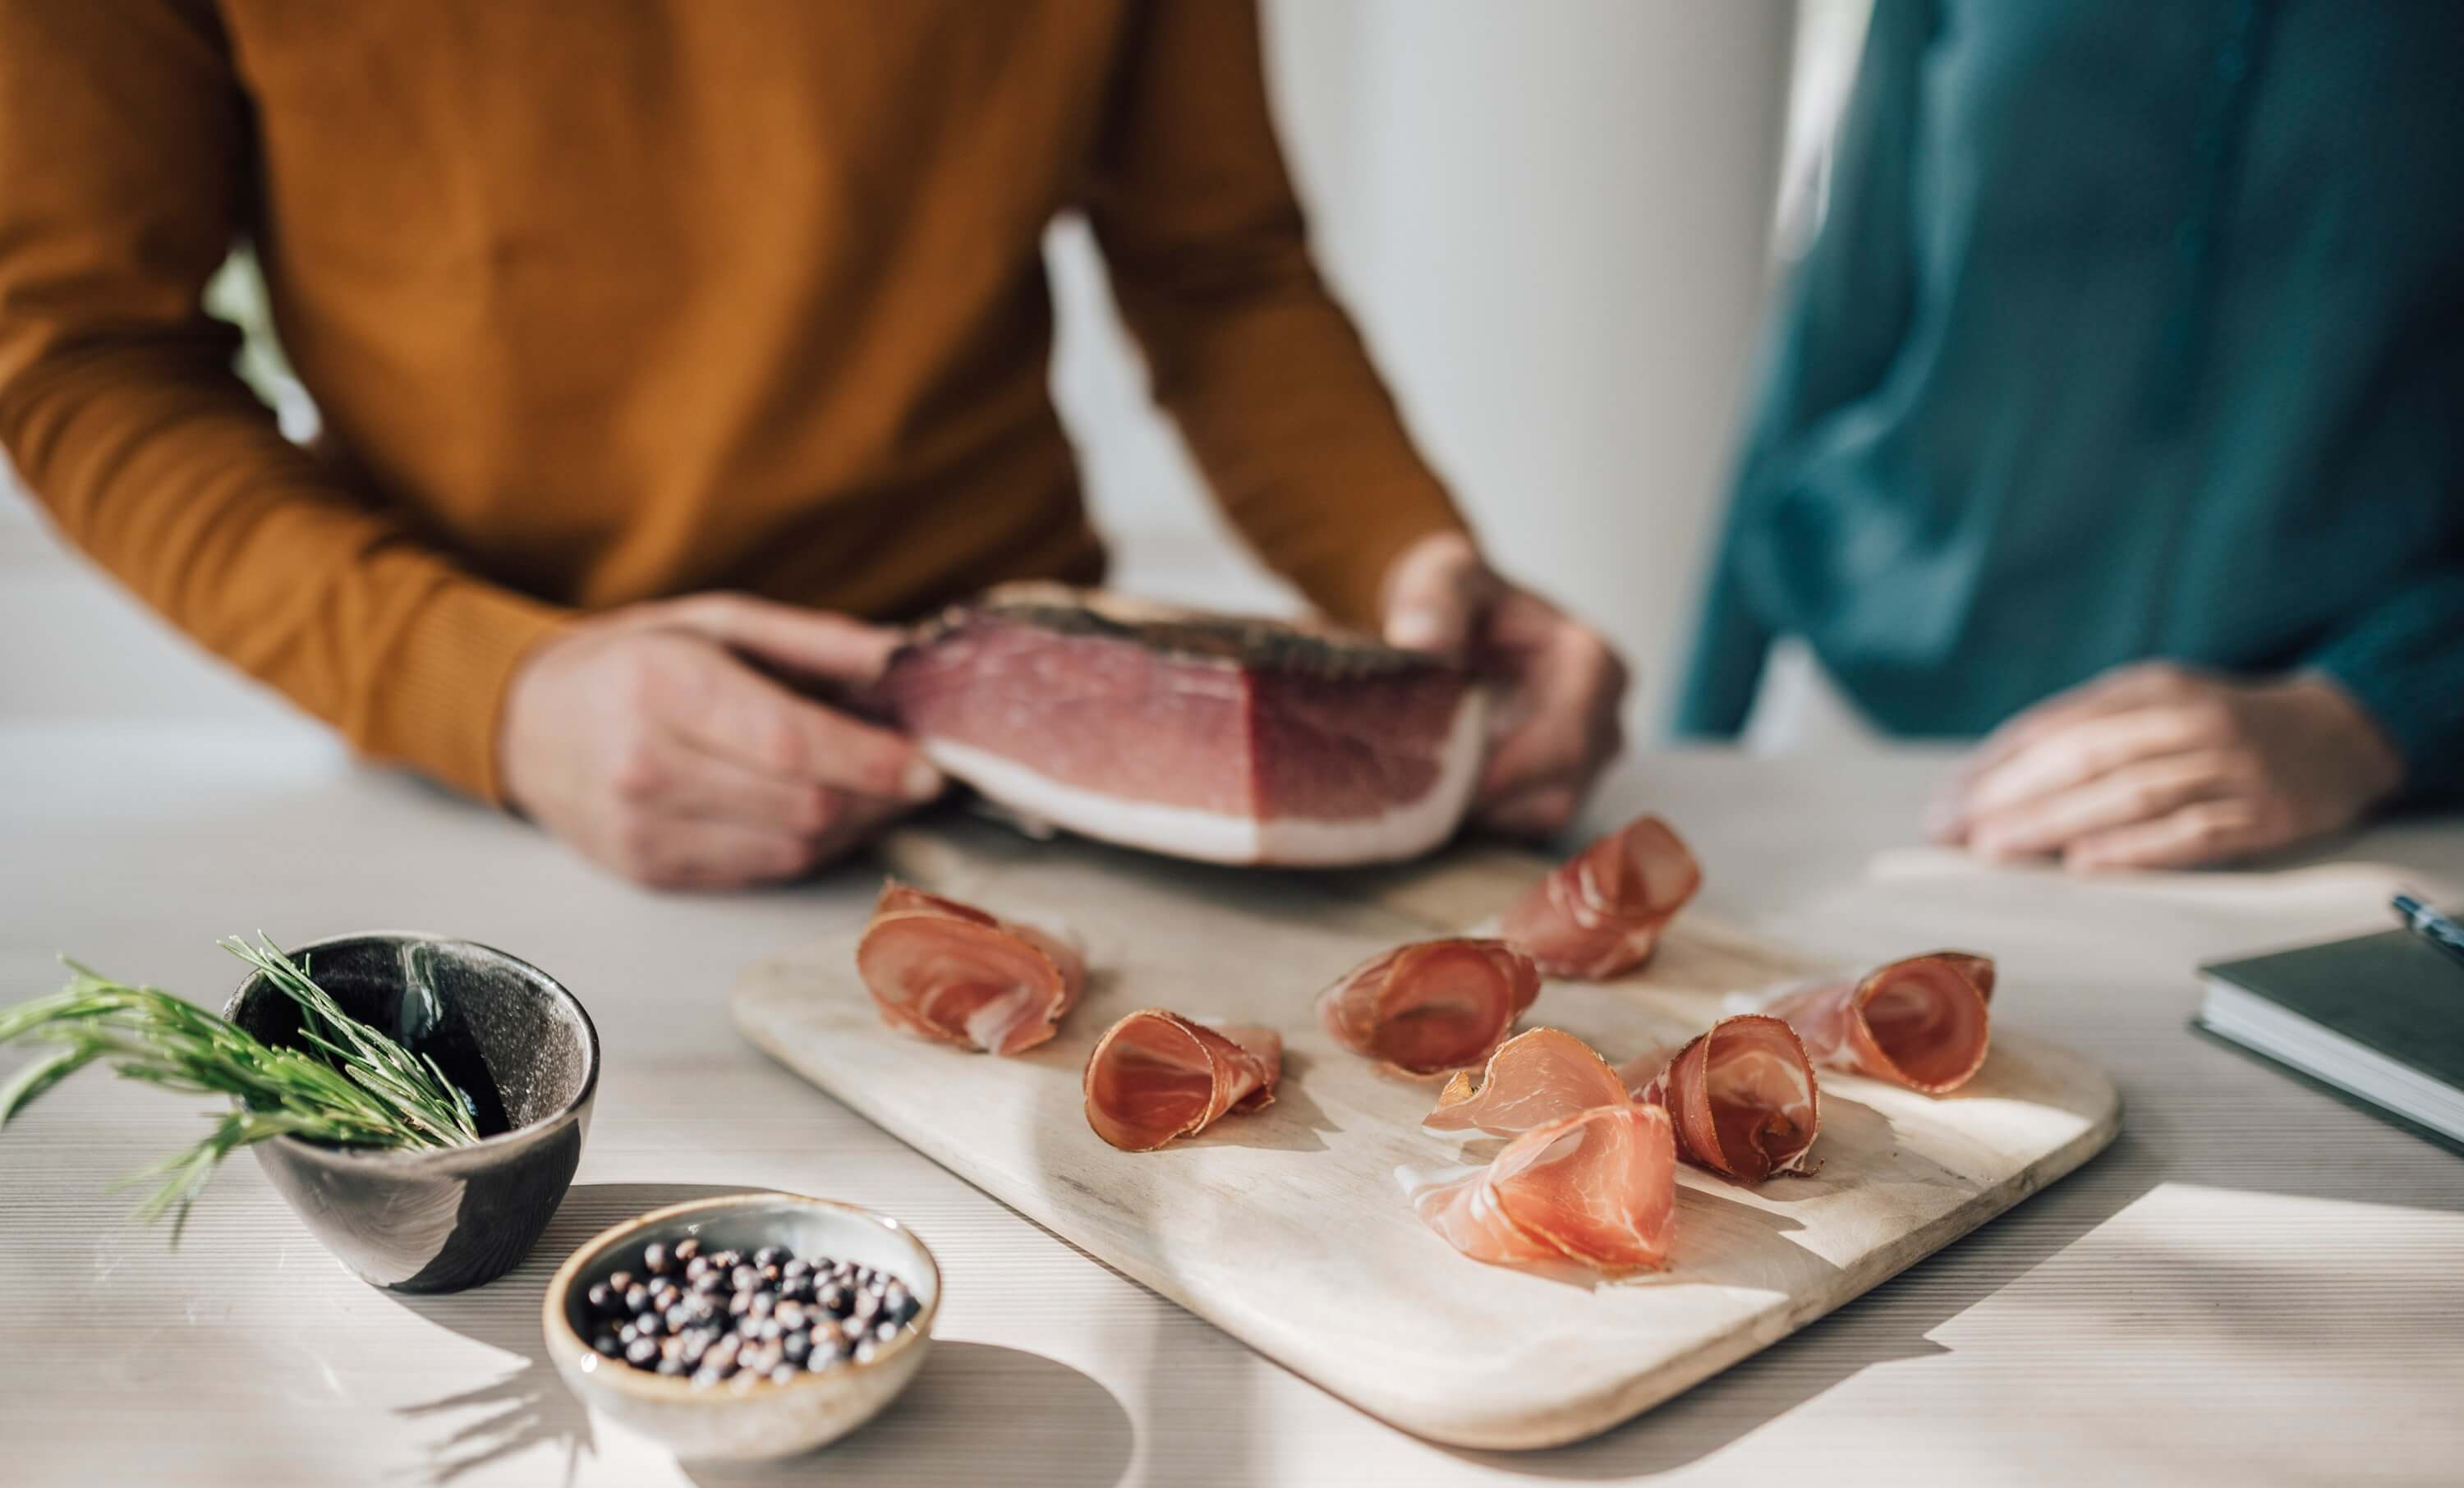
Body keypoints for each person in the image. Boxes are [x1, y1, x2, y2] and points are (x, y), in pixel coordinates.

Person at [0, 2, 1625, 889]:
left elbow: (1221, 270)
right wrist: (485, 688)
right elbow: (83, 358)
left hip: (1028, 773)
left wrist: (1409, 556)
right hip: (489, 800)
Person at [1680, 0, 2463, 871]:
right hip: (1878, 735)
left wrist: (2380, 711)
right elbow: (1832, 330)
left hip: (2314, 808)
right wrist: (1683, 747)